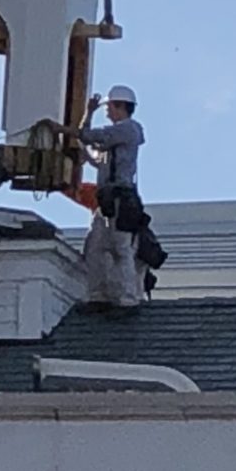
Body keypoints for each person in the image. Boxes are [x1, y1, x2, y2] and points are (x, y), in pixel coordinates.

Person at [69, 83, 146, 314]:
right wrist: (85, 152)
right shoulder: (116, 138)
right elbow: (98, 157)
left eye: (109, 106)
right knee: (95, 247)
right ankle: (99, 296)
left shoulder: (128, 129)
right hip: (108, 200)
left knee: (121, 247)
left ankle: (127, 299)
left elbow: (90, 135)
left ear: (120, 106)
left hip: (120, 198)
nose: (107, 111)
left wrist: (86, 115)